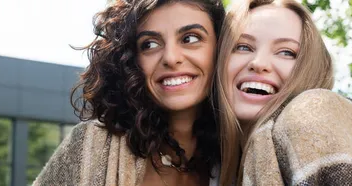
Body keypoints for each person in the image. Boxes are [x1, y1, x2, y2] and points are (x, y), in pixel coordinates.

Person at [215, 0, 352, 185]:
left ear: (310, 68)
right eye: (242, 47)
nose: (259, 63)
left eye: (287, 52)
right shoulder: (215, 167)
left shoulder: (310, 113)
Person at [32, 0, 234, 185]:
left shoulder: (240, 157)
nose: (171, 58)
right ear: (130, 61)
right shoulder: (91, 147)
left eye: (190, 38)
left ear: (221, 48)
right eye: (150, 44)